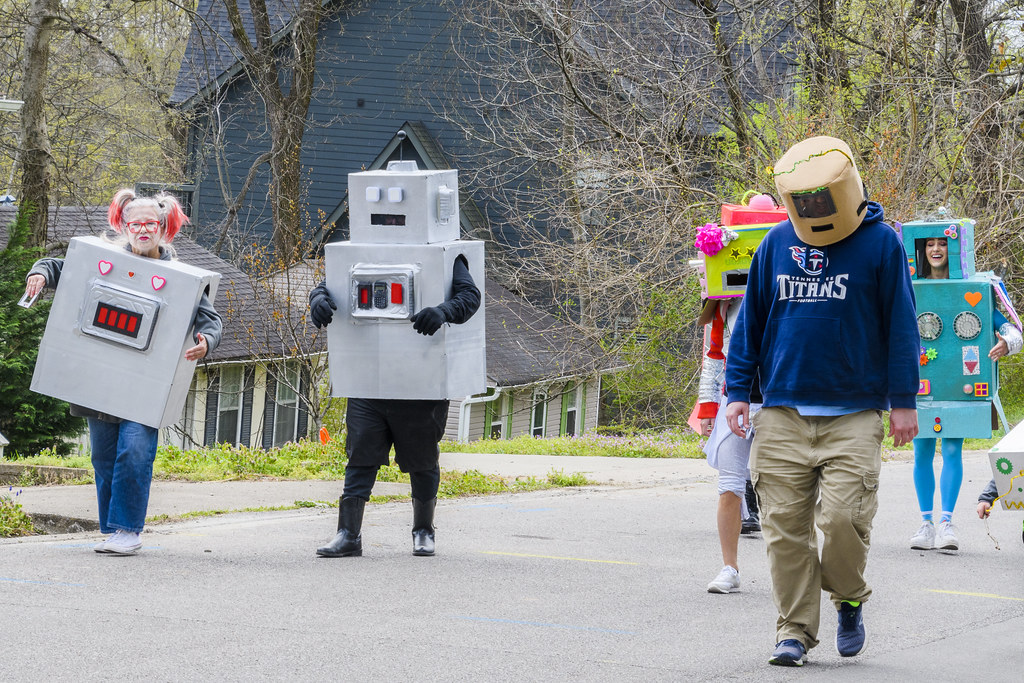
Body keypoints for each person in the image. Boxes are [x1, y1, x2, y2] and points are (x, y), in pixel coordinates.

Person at [724, 136, 920, 666]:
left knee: (840, 522)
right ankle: (793, 632)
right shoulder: (775, 244)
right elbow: (750, 324)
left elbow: (902, 326)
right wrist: (737, 391)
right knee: (784, 530)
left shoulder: (882, 244)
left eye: (820, 200)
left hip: (853, 412)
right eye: (802, 202)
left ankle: (849, 596)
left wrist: (904, 400)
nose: (811, 210)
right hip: (783, 410)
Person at [24, 189, 222, 555]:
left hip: (146, 387)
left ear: (164, 228)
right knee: (103, 457)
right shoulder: (103, 259)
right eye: (136, 223)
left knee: (133, 451)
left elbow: (211, 321)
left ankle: (128, 530)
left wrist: (206, 341)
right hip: (98, 384)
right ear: (123, 225)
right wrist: (39, 273)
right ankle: (115, 528)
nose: (142, 230)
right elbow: (57, 266)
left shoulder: (181, 280)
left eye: (150, 223)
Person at [308, 254, 480, 558]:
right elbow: (330, 283)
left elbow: (470, 295)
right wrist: (318, 298)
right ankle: (348, 534)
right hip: (369, 376)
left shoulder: (443, 251)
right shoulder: (367, 246)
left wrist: (443, 311)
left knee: (422, 459)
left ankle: (423, 531)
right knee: (360, 453)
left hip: (421, 381)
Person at [909, 237, 1021, 552]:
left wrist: (1006, 343)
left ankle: (946, 523)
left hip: (961, 385)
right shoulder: (910, 289)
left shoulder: (974, 290)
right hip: (921, 386)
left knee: (953, 452)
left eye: (941, 244)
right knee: (922, 453)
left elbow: (1013, 330)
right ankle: (926, 523)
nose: (935, 250)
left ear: (953, 250)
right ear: (920, 250)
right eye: (929, 244)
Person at [697, 298, 761, 594]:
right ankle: (729, 567)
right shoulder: (725, 302)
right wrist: (708, 405)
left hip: (779, 400)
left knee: (786, 487)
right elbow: (714, 352)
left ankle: (795, 567)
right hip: (734, 400)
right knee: (729, 486)